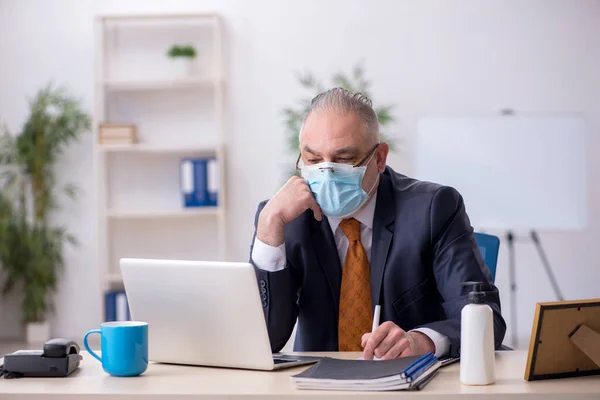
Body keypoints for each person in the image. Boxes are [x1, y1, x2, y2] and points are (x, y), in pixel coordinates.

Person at [249, 87, 506, 360]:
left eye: (344, 159)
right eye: (312, 160)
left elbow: (487, 322)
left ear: (380, 158)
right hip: (319, 387)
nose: (325, 172)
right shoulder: (286, 219)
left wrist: (420, 341)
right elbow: (265, 340)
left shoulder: (433, 209)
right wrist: (267, 228)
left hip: (411, 384)